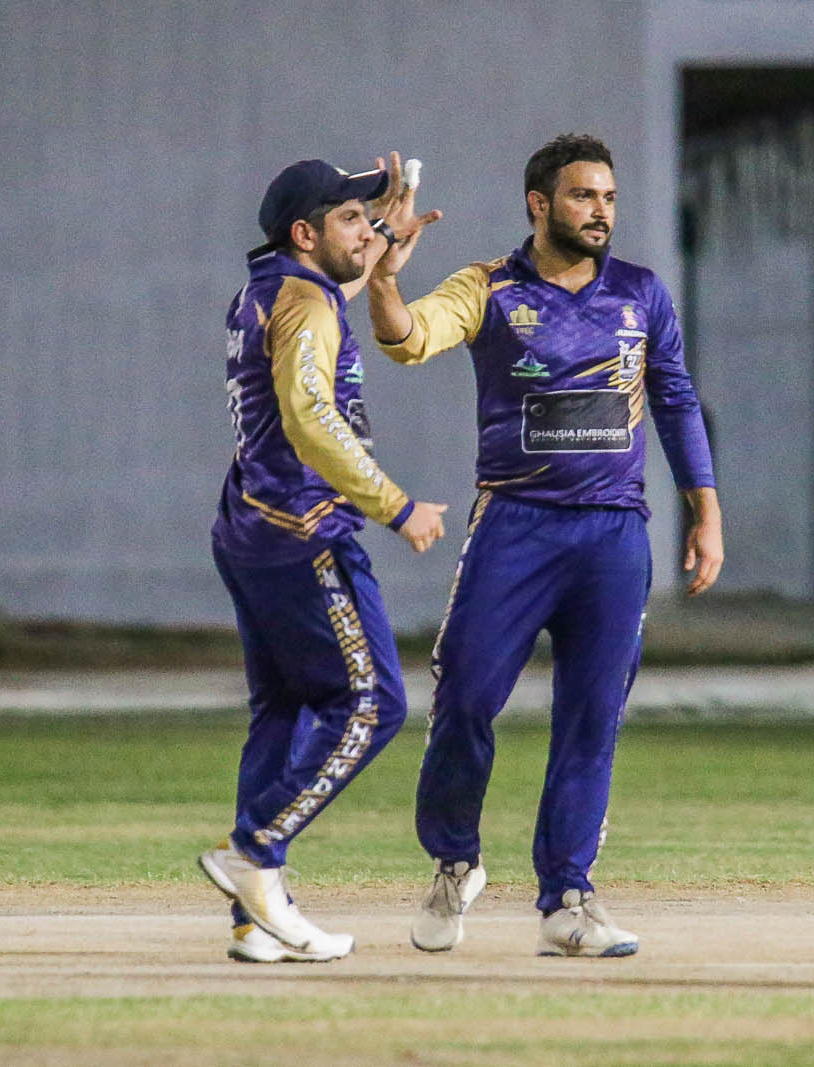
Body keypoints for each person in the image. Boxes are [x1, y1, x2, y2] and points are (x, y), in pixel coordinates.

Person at [366, 133, 724, 957]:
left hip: (613, 534)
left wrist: (706, 512)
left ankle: (567, 897)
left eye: (608, 198)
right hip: (516, 527)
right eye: (582, 196)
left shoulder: (640, 293)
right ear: (539, 204)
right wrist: (384, 280)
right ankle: (455, 861)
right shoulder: (487, 287)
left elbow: (675, 400)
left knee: (592, 715)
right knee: (465, 696)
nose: (600, 212)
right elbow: (409, 337)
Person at [198, 153, 448, 963]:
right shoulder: (306, 304)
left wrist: (382, 243)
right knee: (373, 704)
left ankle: (254, 919)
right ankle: (255, 852)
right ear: (304, 234)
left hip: (250, 527)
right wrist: (395, 505)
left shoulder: (269, 290)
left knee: (281, 711)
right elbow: (310, 417)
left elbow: (328, 294)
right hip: (304, 530)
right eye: (348, 219)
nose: (365, 230)